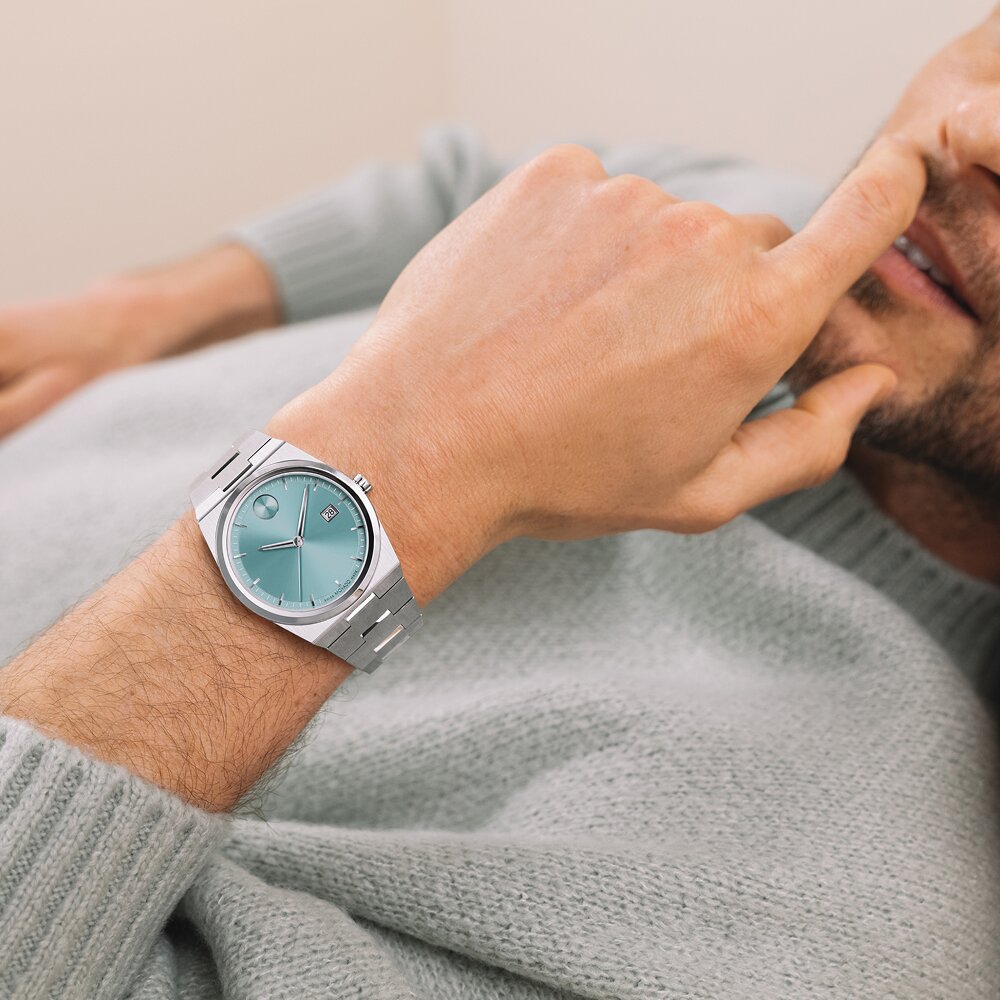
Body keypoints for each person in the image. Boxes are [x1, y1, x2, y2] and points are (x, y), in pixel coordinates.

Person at [1, 10, 999, 1000]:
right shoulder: (756, 224)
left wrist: (413, 456)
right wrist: (137, 316)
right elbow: (462, 190)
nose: (982, 129)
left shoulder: (830, 934)